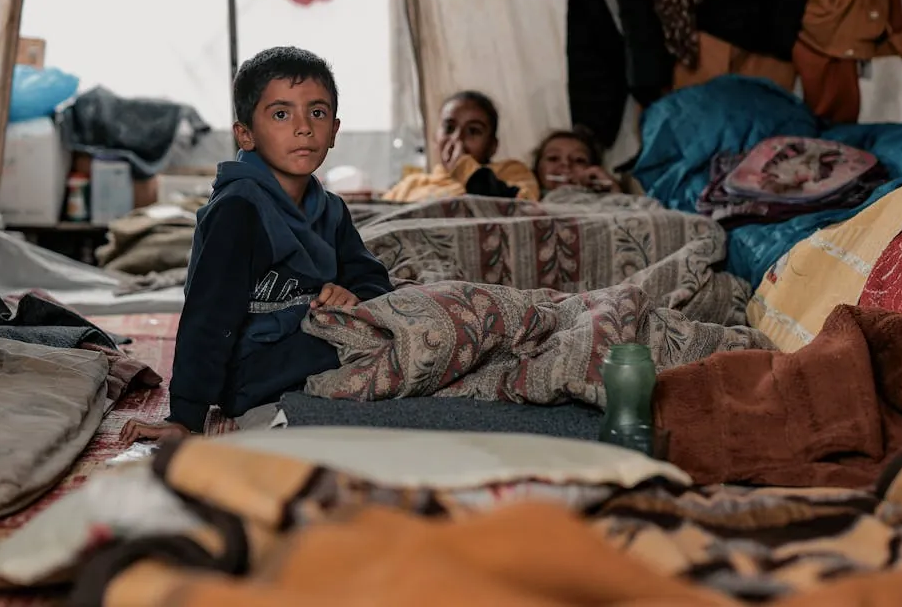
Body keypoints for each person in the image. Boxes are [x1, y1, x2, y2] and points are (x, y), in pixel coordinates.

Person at [120, 47, 394, 445]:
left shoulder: (331, 210)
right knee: (390, 347)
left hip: (308, 340)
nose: (303, 128)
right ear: (245, 134)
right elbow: (209, 314)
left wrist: (352, 293)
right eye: (281, 114)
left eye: (316, 113)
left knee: (400, 316)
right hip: (250, 368)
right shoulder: (238, 210)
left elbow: (370, 278)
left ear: (334, 130)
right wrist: (186, 415)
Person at [382, 91, 540, 202]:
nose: (457, 138)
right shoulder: (411, 185)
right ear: (435, 138)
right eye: (449, 128)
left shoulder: (510, 173)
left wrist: (463, 167)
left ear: (492, 145)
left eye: (473, 131)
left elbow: (522, 208)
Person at [532, 127, 627, 195]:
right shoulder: (521, 206)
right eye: (553, 158)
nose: (566, 164)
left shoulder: (605, 204)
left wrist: (615, 191)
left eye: (578, 160)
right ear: (537, 169)